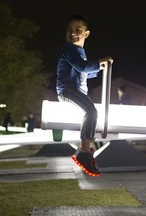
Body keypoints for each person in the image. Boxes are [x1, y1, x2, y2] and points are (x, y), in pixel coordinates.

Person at [56, 14, 113, 176]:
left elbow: (84, 72)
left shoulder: (80, 51)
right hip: (67, 90)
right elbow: (82, 67)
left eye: (78, 30)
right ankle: (84, 153)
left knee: (91, 113)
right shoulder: (68, 49)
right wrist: (100, 61)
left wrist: (99, 67)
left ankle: (87, 151)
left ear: (86, 34)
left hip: (76, 91)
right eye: (69, 29)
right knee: (91, 111)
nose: (73, 32)